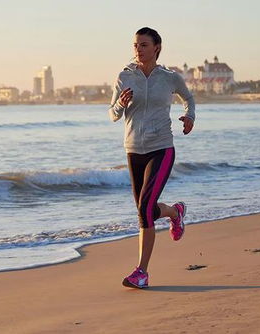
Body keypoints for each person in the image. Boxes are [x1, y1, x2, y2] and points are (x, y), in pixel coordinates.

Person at [108, 27, 195, 289]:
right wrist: (121, 104)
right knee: (144, 209)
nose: (138, 50)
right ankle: (174, 212)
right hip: (134, 149)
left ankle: (141, 272)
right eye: (135, 45)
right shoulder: (124, 76)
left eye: (143, 45)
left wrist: (190, 116)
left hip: (161, 147)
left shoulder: (169, 77)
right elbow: (112, 114)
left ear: (156, 47)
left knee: (145, 208)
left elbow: (188, 98)